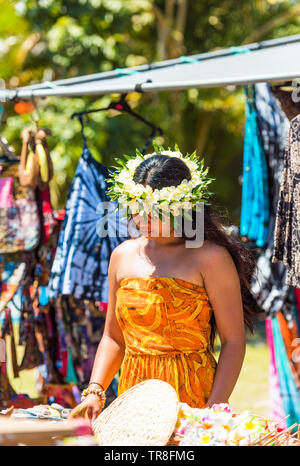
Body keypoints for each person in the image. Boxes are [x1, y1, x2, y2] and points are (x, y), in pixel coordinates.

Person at [71, 148, 258, 421]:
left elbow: (233, 341)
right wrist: (95, 390)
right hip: (134, 399)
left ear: (182, 206)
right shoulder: (122, 256)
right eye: (135, 206)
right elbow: (113, 337)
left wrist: (214, 410)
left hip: (195, 400)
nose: (140, 219)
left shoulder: (210, 258)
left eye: (153, 210)